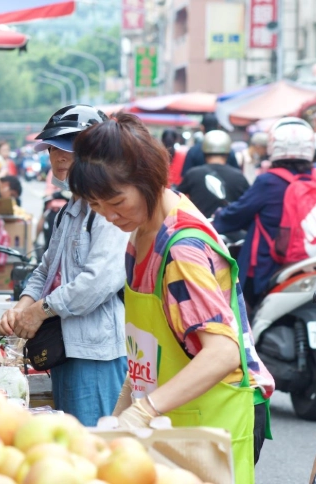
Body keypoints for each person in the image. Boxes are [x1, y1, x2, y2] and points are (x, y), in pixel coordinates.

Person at [69, 113, 274, 481]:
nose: (110, 216)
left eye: (116, 201)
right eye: (97, 206)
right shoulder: (140, 232)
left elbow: (223, 353)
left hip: (214, 414)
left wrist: (143, 409)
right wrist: (123, 409)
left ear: (147, 180)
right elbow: (148, 347)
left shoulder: (181, 250)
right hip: (175, 412)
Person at [0, 105, 130, 426]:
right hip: (64, 347)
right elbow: (45, 268)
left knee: (95, 448)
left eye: (69, 145)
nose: (58, 155)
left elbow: (97, 282)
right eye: (54, 147)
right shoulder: (69, 208)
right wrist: (24, 305)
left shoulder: (107, 209)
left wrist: (41, 309)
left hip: (94, 352)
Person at [213, 118, 316, 309]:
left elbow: (236, 215)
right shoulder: (313, 179)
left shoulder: (268, 181)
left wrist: (217, 218)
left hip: (271, 267)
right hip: (310, 261)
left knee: (245, 312)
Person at [177, 130, 249, 218]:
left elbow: (177, 197)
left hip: (200, 227)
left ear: (204, 152)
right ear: (228, 153)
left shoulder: (192, 174)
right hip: (231, 228)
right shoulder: (239, 176)